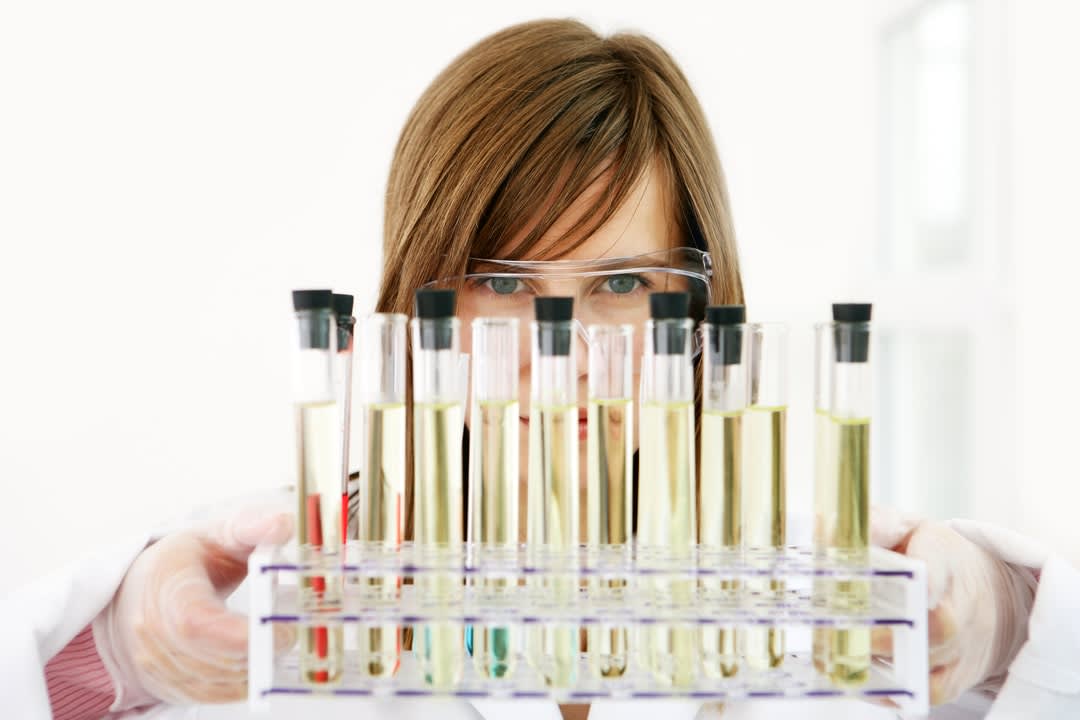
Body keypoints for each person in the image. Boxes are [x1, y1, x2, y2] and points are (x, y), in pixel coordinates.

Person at [5, 18, 1077, 720]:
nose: (567, 361)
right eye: (505, 286)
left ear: (704, 310)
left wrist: (1002, 617)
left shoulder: (814, 602)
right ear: (414, 304)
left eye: (622, 284)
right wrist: (120, 648)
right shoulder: (300, 598)